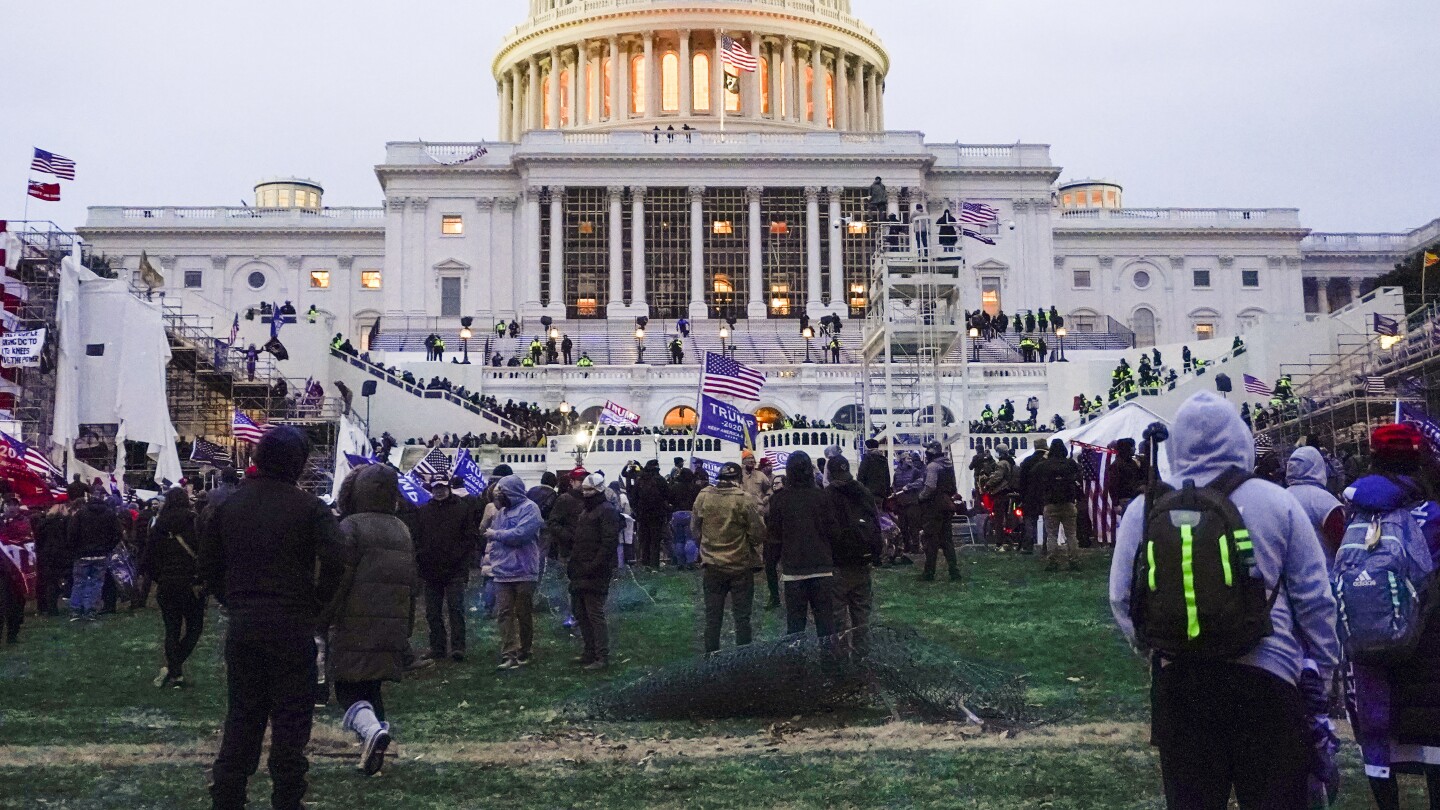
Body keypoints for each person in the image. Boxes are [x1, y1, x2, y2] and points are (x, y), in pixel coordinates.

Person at [1109, 392, 1339, 809]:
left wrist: (1153, 646)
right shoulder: (1276, 501)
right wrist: (1322, 670)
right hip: (1268, 675)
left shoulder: (1145, 507)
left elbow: (1122, 596)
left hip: (1180, 681)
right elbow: (1314, 597)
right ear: (1240, 439)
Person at [200, 427, 345, 810]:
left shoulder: (228, 507)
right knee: (291, 720)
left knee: (243, 715)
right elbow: (337, 559)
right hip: (292, 623)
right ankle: (286, 799)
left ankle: (228, 795)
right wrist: (317, 605)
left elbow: (209, 565)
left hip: (246, 623)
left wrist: (232, 600)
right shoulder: (309, 508)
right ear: (297, 464)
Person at [1340, 425, 1440, 808]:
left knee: (1378, 733)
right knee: (1431, 736)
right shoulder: (1432, 512)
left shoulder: (1357, 507)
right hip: (1427, 637)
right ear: (1417, 457)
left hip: (1368, 638)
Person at [327, 464, 416, 776]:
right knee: (373, 687)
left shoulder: (351, 527)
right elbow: (411, 583)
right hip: (391, 621)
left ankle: (372, 735)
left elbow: (339, 578)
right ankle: (374, 752)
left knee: (348, 690)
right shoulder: (401, 529)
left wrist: (323, 617)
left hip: (354, 621)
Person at [692, 462, 766, 653]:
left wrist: (705, 547)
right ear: (739, 480)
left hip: (712, 566)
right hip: (739, 566)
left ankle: (712, 660)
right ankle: (742, 663)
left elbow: (695, 530)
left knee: (713, 619)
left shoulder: (704, 497)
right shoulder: (744, 499)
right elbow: (758, 533)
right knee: (742, 618)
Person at [767, 452, 841, 638]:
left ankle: (796, 665)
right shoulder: (822, 497)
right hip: (821, 567)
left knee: (795, 627)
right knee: (826, 625)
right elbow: (834, 532)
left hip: (794, 570)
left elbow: (774, 537)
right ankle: (829, 664)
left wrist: (771, 564)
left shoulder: (779, 499)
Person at [142, 488, 205, 687]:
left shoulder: (158, 525)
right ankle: (174, 668)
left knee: (172, 629)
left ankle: (174, 670)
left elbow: (149, 558)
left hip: (167, 582)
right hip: (191, 582)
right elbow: (205, 551)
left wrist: (159, 577)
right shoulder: (195, 522)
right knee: (194, 628)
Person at [412, 478, 478, 662]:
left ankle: (458, 647)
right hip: (431, 569)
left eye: (442, 487)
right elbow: (417, 537)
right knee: (432, 612)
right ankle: (437, 647)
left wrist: (460, 559)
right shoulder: (423, 511)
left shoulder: (462, 509)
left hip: (454, 569)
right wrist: (422, 557)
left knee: (455, 609)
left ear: (448, 487)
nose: (439, 491)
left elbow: (469, 538)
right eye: (436, 488)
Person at [485, 475, 543, 670]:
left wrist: (496, 535)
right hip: (502, 571)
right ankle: (509, 653)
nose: (499, 497)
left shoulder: (530, 509)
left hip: (524, 569)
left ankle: (525, 649)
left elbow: (521, 535)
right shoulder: (501, 513)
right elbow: (493, 538)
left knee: (523, 612)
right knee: (504, 613)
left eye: (502, 493)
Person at [826, 457, 883, 653]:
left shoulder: (827, 495)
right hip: (862, 560)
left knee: (838, 617)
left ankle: (841, 660)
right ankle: (862, 655)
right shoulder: (863, 492)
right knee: (861, 614)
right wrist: (876, 555)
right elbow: (876, 524)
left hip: (838, 562)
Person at [569, 473, 621, 669]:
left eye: (589, 490)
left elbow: (608, 543)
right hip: (580, 569)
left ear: (598, 490)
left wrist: (594, 565)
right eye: (584, 490)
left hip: (596, 570)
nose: (585, 493)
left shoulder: (606, 511)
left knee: (594, 613)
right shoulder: (586, 511)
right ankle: (589, 650)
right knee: (580, 612)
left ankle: (601, 656)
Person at [66, 484, 122, 621]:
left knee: (79, 582)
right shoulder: (110, 514)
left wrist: (76, 549)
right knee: (96, 583)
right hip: (101, 554)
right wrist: (108, 547)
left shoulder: (80, 514)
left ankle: (76, 610)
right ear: (103, 496)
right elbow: (117, 534)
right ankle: (90, 609)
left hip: (82, 555)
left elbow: (71, 534)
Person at [1285, 447, 1345, 562]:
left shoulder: (1280, 497)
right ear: (1318, 466)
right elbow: (1342, 542)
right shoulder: (1324, 500)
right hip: (1324, 573)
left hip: (1288, 575)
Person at [1034, 440, 1083, 572]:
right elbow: (1078, 476)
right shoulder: (1070, 464)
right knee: (1071, 534)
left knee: (1052, 535)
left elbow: (1035, 478)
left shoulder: (1044, 465)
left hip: (1050, 503)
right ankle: (1074, 560)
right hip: (1068, 502)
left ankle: (1052, 561)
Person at [917, 442, 961, 582]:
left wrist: (920, 497)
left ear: (931, 453)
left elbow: (930, 487)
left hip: (934, 507)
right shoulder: (948, 466)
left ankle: (929, 573)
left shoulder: (932, 466)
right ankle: (954, 572)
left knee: (931, 540)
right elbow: (953, 487)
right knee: (947, 540)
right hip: (947, 505)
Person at [0, 498, 32, 644]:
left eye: (14, 505)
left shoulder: (23, 521)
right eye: (8, 505)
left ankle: (13, 633)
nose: (11, 508)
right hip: (2, 569)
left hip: (18, 569)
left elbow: (24, 539)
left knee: (17, 602)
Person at [632, 460, 671, 569]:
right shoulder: (660, 480)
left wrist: (637, 511)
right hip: (657, 514)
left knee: (645, 540)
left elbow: (633, 497)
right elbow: (667, 495)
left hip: (643, 515)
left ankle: (645, 563)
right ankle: (655, 565)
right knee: (655, 540)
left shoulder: (640, 480)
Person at [1016, 438, 1048, 555]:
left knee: (1029, 520)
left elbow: (1022, 481)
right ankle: (1047, 546)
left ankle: (1028, 546)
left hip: (1030, 495)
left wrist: (1022, 497)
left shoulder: (1028, 461)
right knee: (1047, 521)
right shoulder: (1047, 461)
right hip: (1046, 495)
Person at [1106, 438, 1145, 517]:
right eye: (1133, 446)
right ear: (1127, 448)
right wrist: (1116, 504)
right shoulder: (1116, 465)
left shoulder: (1132, 462)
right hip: (1125, 499)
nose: (1135, 449)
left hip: (1135, 497)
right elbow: (1112, 485)